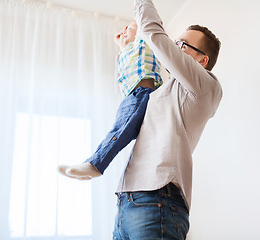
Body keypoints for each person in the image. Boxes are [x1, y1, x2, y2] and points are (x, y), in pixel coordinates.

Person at [62, 0, 223, 238]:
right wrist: (127, 48)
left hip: (158, 200)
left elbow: (153, 34)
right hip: (128, 201)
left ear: (202, 60)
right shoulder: (164, 92)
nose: (175, 47)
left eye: (182, 44)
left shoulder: (207, 86)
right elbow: (131, 104)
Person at [58, 21, 162, 180]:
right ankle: (95, 164)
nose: (125, 29)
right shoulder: (128, 51)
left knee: (118, 132)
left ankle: (95, 165)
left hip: (142, 94)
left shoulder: (144, 41)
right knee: (121, 132)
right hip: (131, 97)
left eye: (130, 26)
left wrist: (139, 25)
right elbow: (127, 63)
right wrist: (122, 44)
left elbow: (148, 22)